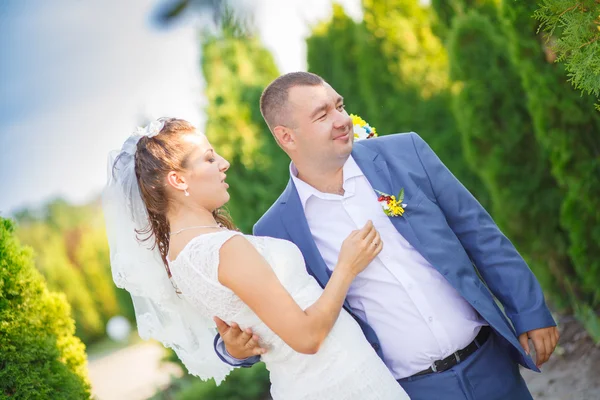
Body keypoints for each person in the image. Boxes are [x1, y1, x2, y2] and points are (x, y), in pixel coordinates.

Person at [215, 72, 559, 400]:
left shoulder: (405, 153)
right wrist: (236, 352)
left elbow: (479, 233)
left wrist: (530, 311)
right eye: (322, 115)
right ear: (286, 136)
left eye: (340, 105)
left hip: (490, 364)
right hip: (407, 391)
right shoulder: (277, 229)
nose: (342, 120)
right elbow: (279, 319)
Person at [102, 117, 410, 400]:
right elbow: (306, 337)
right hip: (342, 383)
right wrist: (346, 267)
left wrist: (233, 350)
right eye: (209, 158)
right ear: (178, 180)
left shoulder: (180, 258)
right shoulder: (223, 249)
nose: (224, 163)